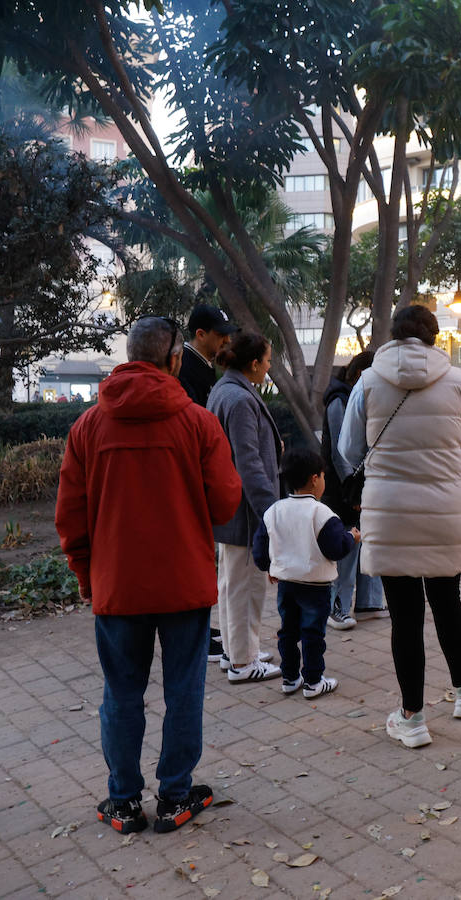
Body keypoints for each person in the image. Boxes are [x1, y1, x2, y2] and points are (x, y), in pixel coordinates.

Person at [55, 316, 242, 834]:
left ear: (129, 356)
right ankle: (176, 798)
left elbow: (70, 517)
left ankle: (123, 802)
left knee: (121, 693)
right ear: (175, 360)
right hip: (183, 583)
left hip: (117, 587)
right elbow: (226, 502)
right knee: (185, 690)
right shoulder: (199, 424)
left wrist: (87, 575)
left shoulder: (89, 427)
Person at [339, 304, 461, 749]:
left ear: (393, 336)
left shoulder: (367, 382)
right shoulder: (457, 382)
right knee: (448, 601)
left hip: (388, 513)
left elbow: (349, 449)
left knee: (404, 615)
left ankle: (412, 718)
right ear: (432, 338)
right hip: (446, 509)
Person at [207, 332, 283, 685]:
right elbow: (249, 463)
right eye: (268, 361)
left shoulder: (227, 389)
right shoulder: (238, 399)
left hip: (233, 507)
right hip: (247, 509)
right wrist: (271, 513)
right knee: (245, 586)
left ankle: (236, 650)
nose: (269, 367)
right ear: (254, 364)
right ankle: (243, 660)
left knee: (232, 583)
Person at [251, 450, 358, 699]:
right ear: (314, 479)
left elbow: (260, 547)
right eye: (322, 476)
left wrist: (269, 567)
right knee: (312, 632)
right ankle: (313, 680)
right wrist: (351, 538)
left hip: (286, 583)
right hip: (316, 585)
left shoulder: (274, 511)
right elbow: (335, 548)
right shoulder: (321, 513)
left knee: (288, 631)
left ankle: (289, 677)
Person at [178, 303, 238, 665]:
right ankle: (199, 635)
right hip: (193, 478)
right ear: (200, 334)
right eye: (220, 335)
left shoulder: (199, 367)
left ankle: (203, 630)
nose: (225, 341)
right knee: (198, 559)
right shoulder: (188, 368)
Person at [321, 351, 387, 630]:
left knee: (368, 538)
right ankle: (338, 606)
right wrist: (353, 489)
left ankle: (369, 602)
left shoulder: (355, 397)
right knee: (348, 545)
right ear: (360, 375)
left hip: (361, 483)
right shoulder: (339, 400)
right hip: (344, 487)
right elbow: (340, 451)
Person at [179, 304, 237, 408]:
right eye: (221, 334)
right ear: (201, 335)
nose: (228, 340)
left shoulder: (202, 364)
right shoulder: (183, 367)